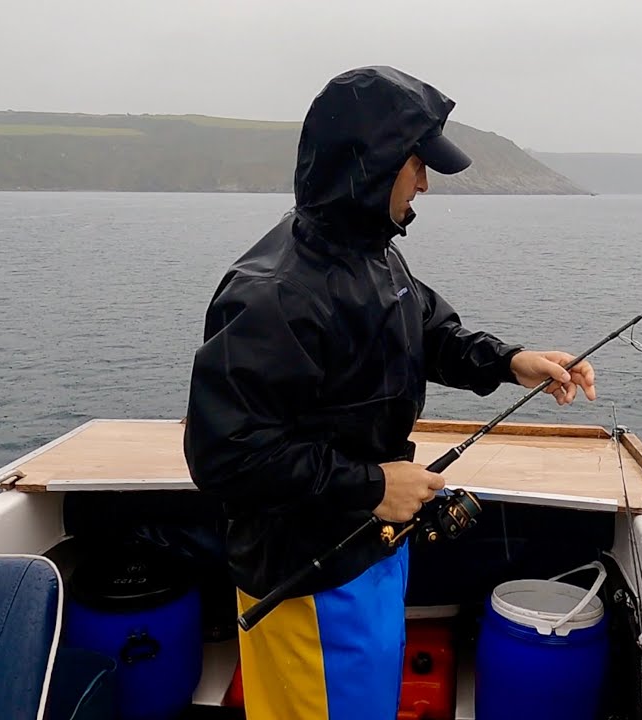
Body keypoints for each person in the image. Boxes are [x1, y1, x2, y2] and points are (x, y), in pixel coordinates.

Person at [181, 65, 596, 720]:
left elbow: (429, 331)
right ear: (369, 165)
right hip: (306, 585)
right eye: (416, 164)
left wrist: (512, 361)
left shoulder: (373, 254)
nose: (425, 183)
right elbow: (226, 456)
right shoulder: (272, 294)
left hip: (368, 550)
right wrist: (374, 486)